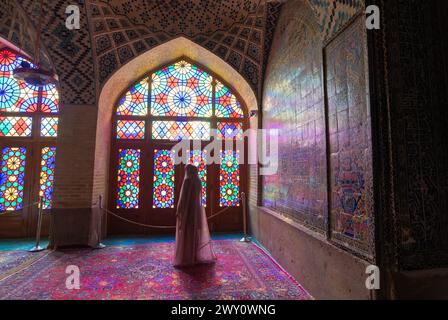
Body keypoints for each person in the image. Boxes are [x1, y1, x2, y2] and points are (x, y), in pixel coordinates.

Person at [174, 164, 216, 267]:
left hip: (188, 210)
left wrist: (179, 210)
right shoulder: (198, 181)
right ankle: (195, 254)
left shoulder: (187, 181)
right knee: (196, 232)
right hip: (197, 209)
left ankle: (187, 256)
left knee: (187, 232)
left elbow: (184, 198)